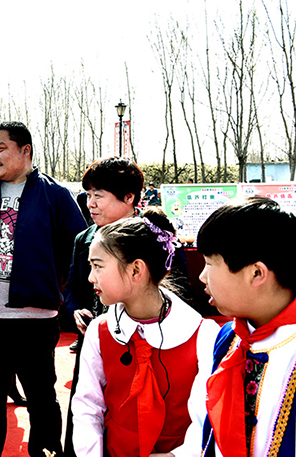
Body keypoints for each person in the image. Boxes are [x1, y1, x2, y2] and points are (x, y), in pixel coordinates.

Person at [0, 121, 87, 457]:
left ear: (25, 150)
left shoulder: (55, 195)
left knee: (41, 396)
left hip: (35, 319)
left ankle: (46, 451)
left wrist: (51, 282)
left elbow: (78, 248)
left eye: (1, 149)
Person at [70, 211, 219, 457]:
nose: (90, 277)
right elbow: (87, 406)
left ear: (136, 269)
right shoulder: (99, 331)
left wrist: (178, 455)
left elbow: (209, 412)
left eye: (98, 266)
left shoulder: (202, 334)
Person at [175, 197, 296, 457]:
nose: (202, 276)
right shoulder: (228, 338)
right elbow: (203, 420)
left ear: (256, 273)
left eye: (209, 263)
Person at [61, 157, 145, 456]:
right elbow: (72, 288)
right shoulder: (83, 239)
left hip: (141, 350)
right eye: (88, 195)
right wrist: (75, 310)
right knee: (86, 416)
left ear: (129, 198)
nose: (91, 204)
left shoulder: (152, 238)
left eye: (99, 195)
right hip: (93, 346)